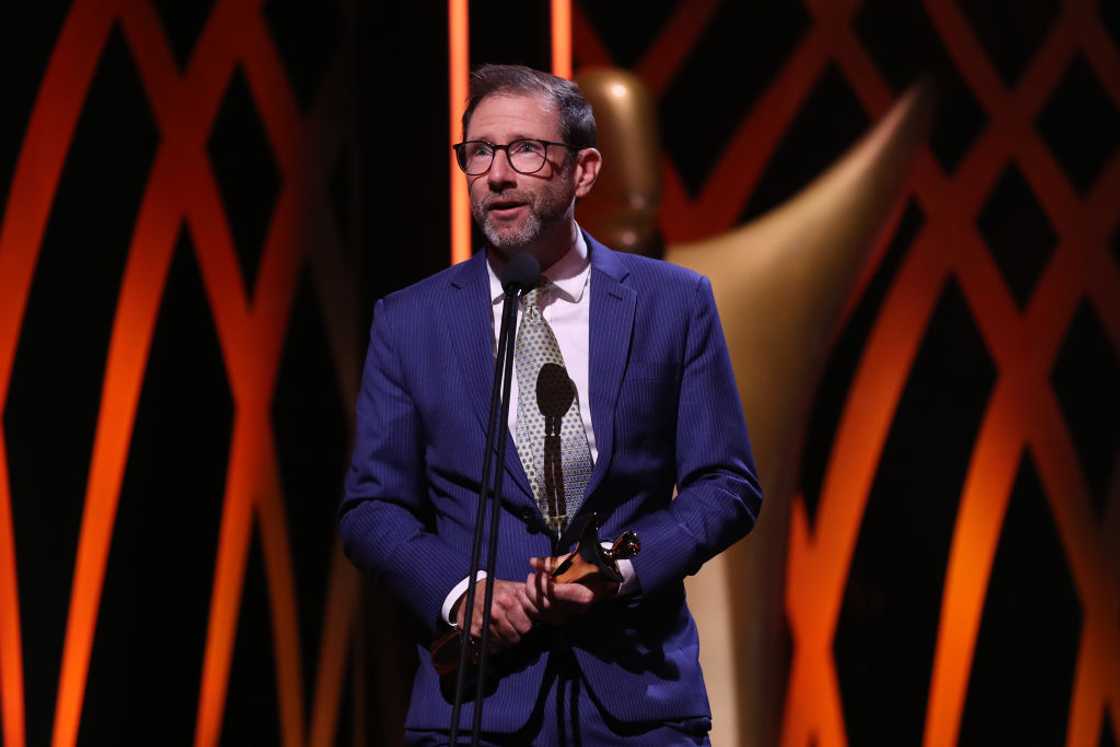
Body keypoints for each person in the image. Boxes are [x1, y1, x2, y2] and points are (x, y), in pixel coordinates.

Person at [338, 64, 762, 745]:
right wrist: (461, 591)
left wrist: (620, 568)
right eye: (480, 152)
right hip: (477, 706)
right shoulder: (411, 320)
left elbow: (727, 484)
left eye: (525, 151)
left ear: (584, 171)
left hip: (639, 703)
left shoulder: (674, 303)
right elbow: (372, 507)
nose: (498, 175)